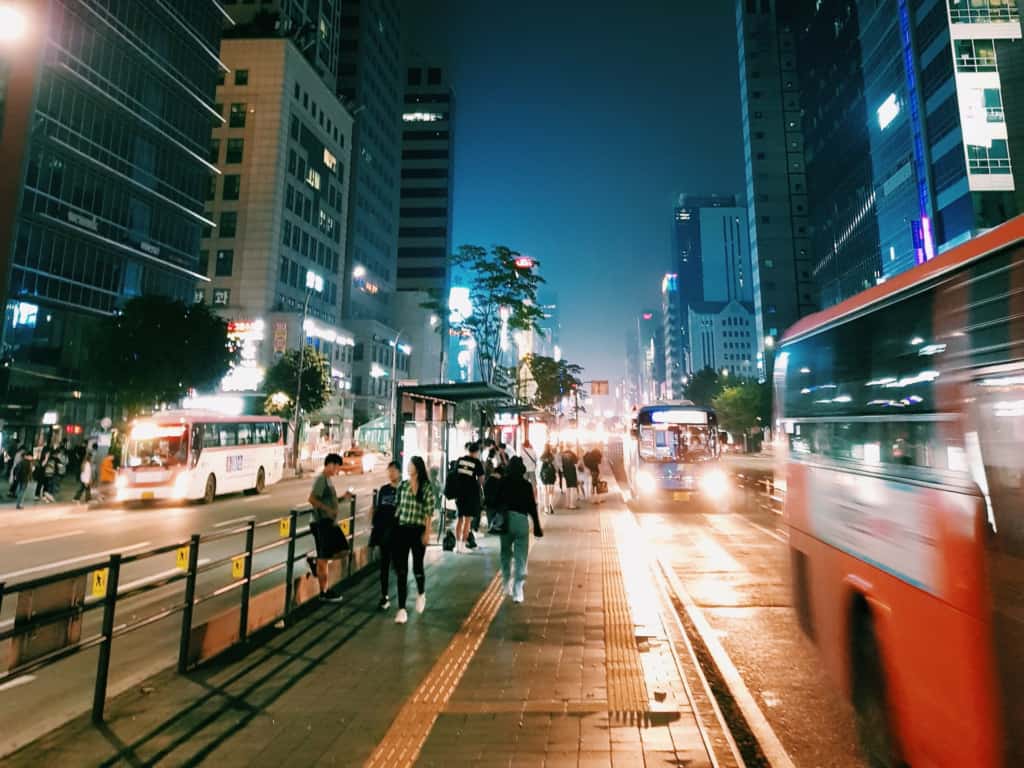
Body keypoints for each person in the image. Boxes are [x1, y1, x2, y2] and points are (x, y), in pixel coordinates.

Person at [392, 456, 435, 624]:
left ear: (417, 468)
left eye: (411, 465)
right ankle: (401, 609)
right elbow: (397, 508)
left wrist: (427, 532)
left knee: (417, 565)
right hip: (402, 529)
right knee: (402, 570)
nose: (408, 468)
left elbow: (428, 512)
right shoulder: (402, 486)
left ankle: (421, 593)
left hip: (418, 530)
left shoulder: (425, 487)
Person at [307, 453, 354, 602]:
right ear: (330, 465)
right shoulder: (321, 479)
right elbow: (312, 499)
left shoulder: (328, 480)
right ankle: (324, 591)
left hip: (328, 523)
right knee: (328, 555)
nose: (337, 470)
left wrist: (341, 498)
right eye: (336, 467)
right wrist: (328, 510)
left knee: (341, 550)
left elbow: (328, 500)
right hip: (321, 522)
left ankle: (317, 564)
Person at [496, 456, 543, 603]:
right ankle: (518, 590)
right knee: (521, 557)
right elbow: (532, 507)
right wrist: (537, 526)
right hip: (521, 521)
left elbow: (495, 501)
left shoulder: (502, 482)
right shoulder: (526, 485)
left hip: (505, 521)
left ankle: (505, 583)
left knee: (505, 553)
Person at [370, 461, 401, 611]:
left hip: (398, 533)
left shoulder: (404, 489)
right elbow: (378, 509)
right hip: (384, 532)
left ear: (399, 472)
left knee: (399, 567)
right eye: (389, 471)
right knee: (384, 566)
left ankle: (402, 601)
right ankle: (384, 596)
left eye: (394, 470)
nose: (391, 473)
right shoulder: (384, 490)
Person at [453, 442, 485, 554]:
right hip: (471, 494)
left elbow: (454, 474)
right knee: (467, 520)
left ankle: (457, 546)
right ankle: (462, 545)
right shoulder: (476, 462)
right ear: (476, 452)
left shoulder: (460, 460)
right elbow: (481, 479)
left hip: (459, 494)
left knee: (459, 519)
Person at [539, 446, 557, 515]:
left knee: (545, 494)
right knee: (551, 493)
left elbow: (540, 470)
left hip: (545, 478)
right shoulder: (552, 457)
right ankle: (551, 507)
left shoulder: (542, 458)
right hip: (551, 477)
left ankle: (546, 509)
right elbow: (555, 468)